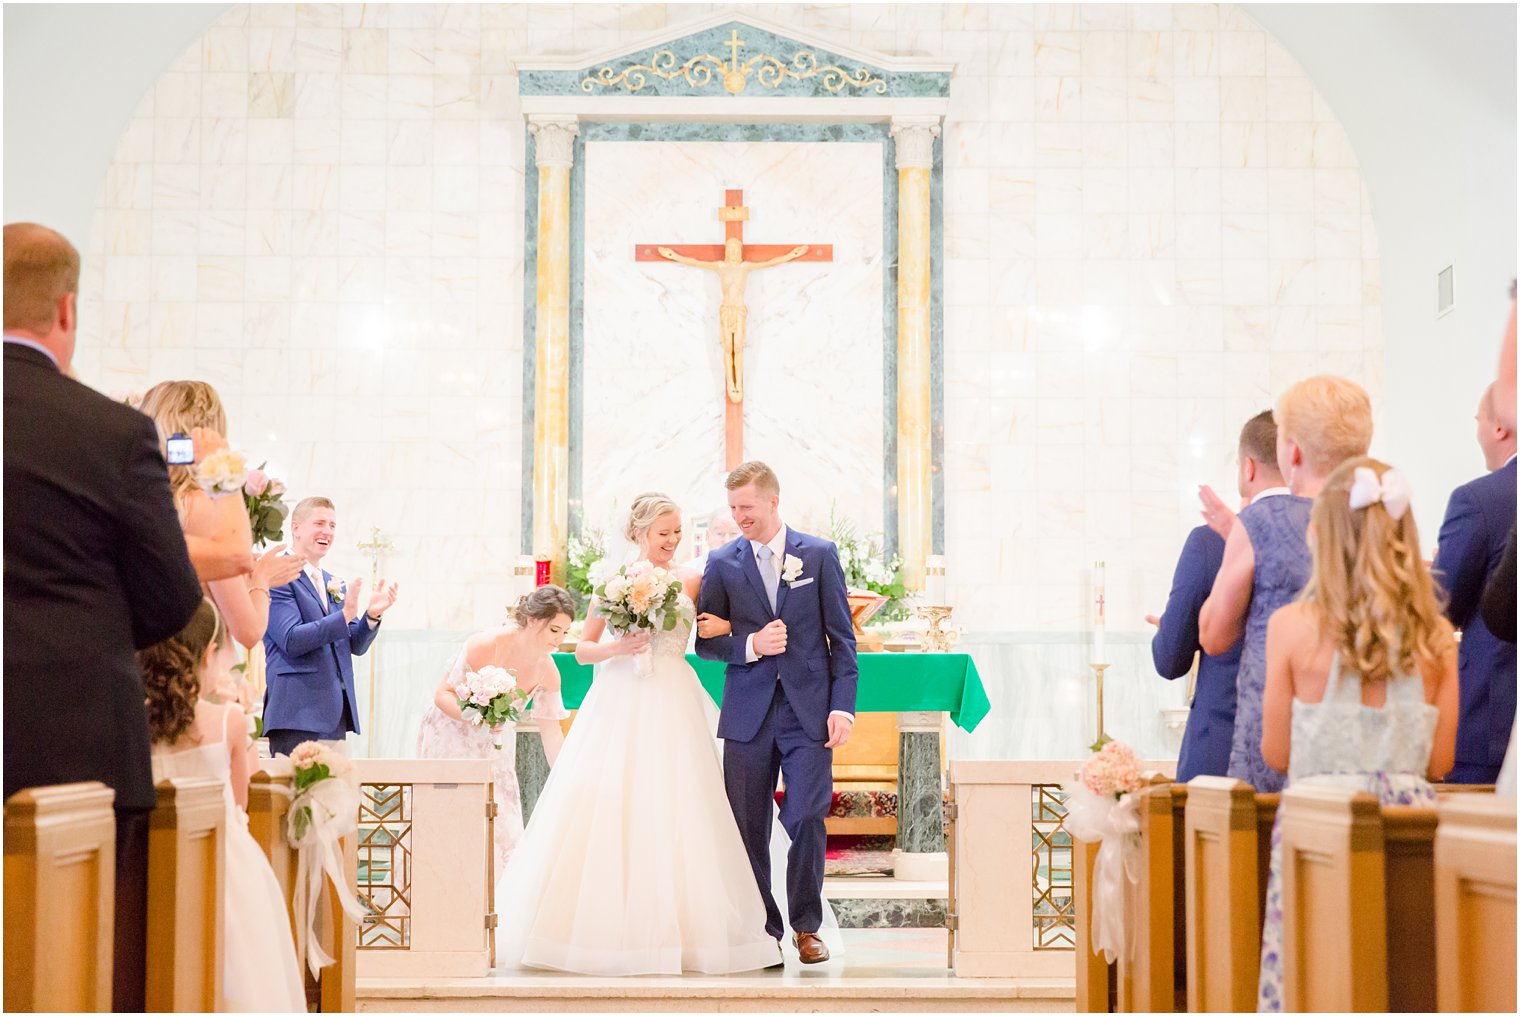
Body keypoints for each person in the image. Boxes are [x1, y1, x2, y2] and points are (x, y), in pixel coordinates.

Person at [3, 222, 207, 1011]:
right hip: (76, 733)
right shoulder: (113, 433)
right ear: (67, 309)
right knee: (87, 963)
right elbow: (169, 599)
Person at [495, 492, 798, 975]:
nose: (672, 541)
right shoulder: (611, 584)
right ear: (639, 533)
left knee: (684, 802)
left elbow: (717, 630)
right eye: (663, 533)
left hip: (674, 692)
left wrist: (725, 625)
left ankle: (697, 932)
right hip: (620, 697)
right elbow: (583, 651)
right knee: (614, 801)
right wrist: (621, 647)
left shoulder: (696, 576)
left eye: (678, 532)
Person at [1254, 458, 1458, 1010]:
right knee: (1403, 980)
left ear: (1319, 537)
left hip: (1319, 831)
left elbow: (1275, 752)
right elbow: (1440, 761)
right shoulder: (1437, 638)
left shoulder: (1291, 628)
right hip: (1410, 836)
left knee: (1314, 981)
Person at [696, 461, 859, 965]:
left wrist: (842, 709)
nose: (738, 517)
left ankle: (806, 927)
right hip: (748, 713)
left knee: (808, 814)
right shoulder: (722, 562)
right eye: (732, 508)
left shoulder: (820, 554)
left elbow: (843, 641)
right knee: (747, 823)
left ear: (773, 501)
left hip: (809, 712)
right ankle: (763, 928)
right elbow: (707, 642)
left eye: (746, 507)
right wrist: (750, 644)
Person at [1200, 376, 1373, 792]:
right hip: (1366, 743)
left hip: (1281, 743)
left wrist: (1235, 543)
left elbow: (1214, 635)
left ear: (1291, 451)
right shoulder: (1384, 520)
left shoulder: (1262, 520)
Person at [140, 599, 306, 1012]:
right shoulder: (229, 720)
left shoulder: (135, 717)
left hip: (148, 856)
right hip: (224, 860)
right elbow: (243, 800)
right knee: (243, 973)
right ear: (210, 654)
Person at [138, 379, 304, 711]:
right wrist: (261, 579)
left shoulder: (145, 503)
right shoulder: (206, 506)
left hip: (150, 679)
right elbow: (248, 629)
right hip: (204, 680)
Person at [1148, 411, 1287, 781]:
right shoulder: (1329, 536)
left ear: (1248, 468)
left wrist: (1171, 630)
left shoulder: (1209, 543)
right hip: (1303, 758)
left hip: (1220, 754)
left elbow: (1170, 659)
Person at [416, 586, 573, 878]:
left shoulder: (548, 671)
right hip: (451, 736)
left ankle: (495, 909)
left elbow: (551, 733)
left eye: (564, 633)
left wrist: (566, 777)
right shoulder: (487, 645)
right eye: (554, 630)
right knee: (448, 822)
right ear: (533, 620)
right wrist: (476, 718)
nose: (559, 641)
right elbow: (443, 695)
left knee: (504, 827)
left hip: (495, 746)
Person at [262, 496, 398, 757]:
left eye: (333, 525)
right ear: (296, 528)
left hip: (333, 714)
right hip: (296, 714)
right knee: (298, 797)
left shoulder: (333, 583)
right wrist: (344, 615)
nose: (327, 531)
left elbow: (355, 646)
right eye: (320, 523)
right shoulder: (278, 576)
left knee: (330, 796)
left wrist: (371, 615)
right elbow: (290, 639)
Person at [1432, 384, 1517, 783]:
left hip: (1495, 717)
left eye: (1479, 419)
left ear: (1500, 427)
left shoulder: (1479, 500)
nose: (1477, 429)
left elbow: (1440, 607)